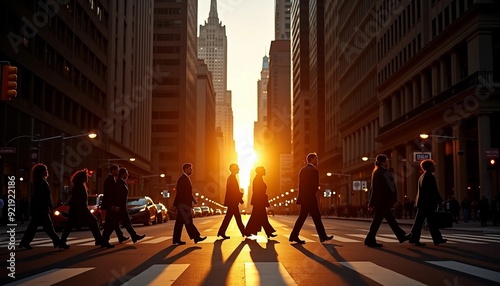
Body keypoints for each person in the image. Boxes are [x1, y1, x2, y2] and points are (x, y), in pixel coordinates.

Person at [364, 154, 411, 247]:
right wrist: (394, 200)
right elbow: (392, 188)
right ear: (382, 162)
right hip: (384, 201)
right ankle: (369, 240)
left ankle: (401, 236)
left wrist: (371, 202)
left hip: (380, 201)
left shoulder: (376, 172)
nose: (388, 162)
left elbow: (373, 189)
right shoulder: (385, 172)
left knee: (389, 220)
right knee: (378, 221)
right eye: (387, 161)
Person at [59, 169, 110, 249]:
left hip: (76, 210)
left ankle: (62, 242)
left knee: (69, 226)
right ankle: (99, 240)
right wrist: (84, 211)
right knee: (93, 221)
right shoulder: (79, 186)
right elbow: (79, 201)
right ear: (81, 178)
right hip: (80, 209)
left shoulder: (78, 186)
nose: (87, 178)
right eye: (86, 177)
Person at [289, 153, 333, 244]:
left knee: (304, 217)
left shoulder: (302, 170)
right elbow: (314, 186)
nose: (317, 160)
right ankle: (322, 236)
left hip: (304, 198)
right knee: (316, 217)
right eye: (316, 158)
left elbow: (301, 186)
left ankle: (294, 235)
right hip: (310, 199)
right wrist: (313, 196)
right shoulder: (314, 171)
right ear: (312, 159)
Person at [19, 163, 61, 249]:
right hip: (41, 208)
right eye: (45, 170)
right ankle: (57, 242)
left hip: (38, 208)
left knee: (34, 227)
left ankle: (24, 242)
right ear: (41, 172)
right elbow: (42, 196)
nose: (46, 172)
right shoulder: (41, 182)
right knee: (48, 226)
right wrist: (49, 204)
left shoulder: (39, 181)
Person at [101, 168, 145, 248]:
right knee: (112, 225)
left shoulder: (122, 182)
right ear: (123, 174)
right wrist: (116, 206)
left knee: (123, 223)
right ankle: (104, 240)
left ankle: (134, 236)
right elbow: (116, 196)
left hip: (121, 207)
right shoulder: (118, 183)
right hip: (119, 208)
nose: (127, 175)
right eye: (126, 173)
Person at [408, 159, 447, 246]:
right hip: (427, 204)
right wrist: (440, 201)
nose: (434, 167)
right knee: (428, 222)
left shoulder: (422, 176)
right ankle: (436, 239)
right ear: (429, 167)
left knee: (425, 222)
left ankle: (415, 238)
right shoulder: (430, 176)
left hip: (422, 203)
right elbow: (434, 191)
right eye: (433, 166)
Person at [171, 163, 206, 244]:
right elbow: (179, 193)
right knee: (188, 222)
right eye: (190, 169)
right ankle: (196, 237)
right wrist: (175, 205)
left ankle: (176, 239)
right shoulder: (182, 179)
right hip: (183, 205)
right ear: (186, 169)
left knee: (180, 223)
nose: (191, 170)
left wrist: (194, 200)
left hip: (184, 205)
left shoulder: (186, 178)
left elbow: (188, 193)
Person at [217, 163, 250, 239]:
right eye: (238, 168)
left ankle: (222, 232)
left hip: (232, 202)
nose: (239, 169)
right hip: (232, 202)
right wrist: (240, 199)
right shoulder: (232, 178)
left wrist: (239, 198)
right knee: (236, 218)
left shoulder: (232, 177)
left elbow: (234, 191)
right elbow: (233, 191)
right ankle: (244, 232)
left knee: (230, 218)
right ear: (234, 169)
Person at [245, 166, 277, 239]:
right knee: (261, 217)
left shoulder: (259, 179)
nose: (265, 171)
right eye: (264, 170)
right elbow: (259, 193)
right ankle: (267, 232)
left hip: (259, 201)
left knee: (260, 217)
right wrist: (265, 201)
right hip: (259, 201)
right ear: (260, 171)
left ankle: (267, 232)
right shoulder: (257, 180)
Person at [101, 164, 129, 243]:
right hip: (110, 205)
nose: (117, 172)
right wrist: (112, 206)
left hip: (110, 205)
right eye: (116, 170)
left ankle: (119, 236)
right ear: (112, 171)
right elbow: (109, 194)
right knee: (110, 224)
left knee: (114, 223)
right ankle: (104, 240)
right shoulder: (110, 180)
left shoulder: (112, 179)